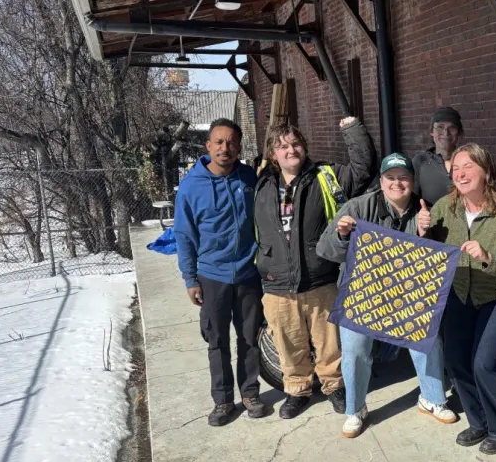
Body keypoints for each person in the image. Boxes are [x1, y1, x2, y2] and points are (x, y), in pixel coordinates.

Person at [317, 152, 458, 438]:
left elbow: (436, 261)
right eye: (391, 178)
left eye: (403, 177)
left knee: (428, 340)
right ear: (381, 181)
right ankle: (355, 409)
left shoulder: (425, 210)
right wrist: (342, 235)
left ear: (412, 180)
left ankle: (431, 398)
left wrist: (425, 233)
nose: (397, 183)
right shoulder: (357, 207)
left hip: (409, 294)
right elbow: (325, 250)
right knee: (355, 348)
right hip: (363, 293)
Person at [254, 116, 377, 419]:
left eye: (295, 144)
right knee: (288, 341)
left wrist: (352, 130)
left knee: (328, 342)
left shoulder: (327, 176)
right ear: (273, 154)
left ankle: (334, 386)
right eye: (282, 146)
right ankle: (297, 391)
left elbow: (363, 169)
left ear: (305, 147)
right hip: (277, 280)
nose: (290, 150)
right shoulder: (260, 184)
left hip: (320, 276)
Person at [418, 143, 496, 454]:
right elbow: (428, 252)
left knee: (485, 362)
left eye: (467, 166)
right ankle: (478, 422)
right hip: (460, 292)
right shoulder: (446, 207)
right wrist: (422, 230)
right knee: (456, 359)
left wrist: (488, 257)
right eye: (455, 168)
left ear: (486, 170)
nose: (460, 173)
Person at [174, 118, 267, 427]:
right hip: (211, 275)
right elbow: (184, 236)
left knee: (249, 338)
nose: (225, 148)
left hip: (247, 272)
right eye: (219, 142)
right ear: (208, 146)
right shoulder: (191, 187)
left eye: (231, 142)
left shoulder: (249, 178)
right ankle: (223, 400)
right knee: (217, 341)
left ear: (239, 147)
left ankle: (251, 393)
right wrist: (190, 279)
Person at [412, 106, 463, 206]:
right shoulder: (421, 162)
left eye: (452, 127)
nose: (446, 133)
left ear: (459, 132)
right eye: (440, 127)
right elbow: (412, 200)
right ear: (432, 131)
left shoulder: (469, 160)